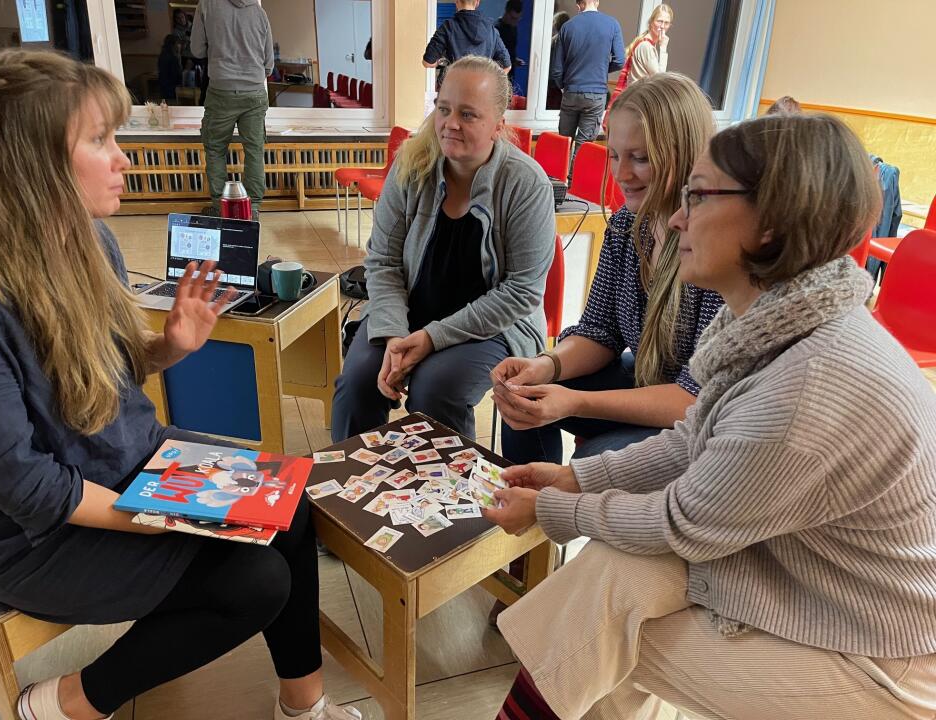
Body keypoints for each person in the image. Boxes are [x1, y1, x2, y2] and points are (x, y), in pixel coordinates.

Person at [487, 113, 936, 720]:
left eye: (697, 196)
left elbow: (682, 522)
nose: (676, 217)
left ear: (773, 221)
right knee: (610, 582)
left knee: (590, 631)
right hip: (821, 583)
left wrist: (550, 509)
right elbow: (691, 441)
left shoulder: (806, 387)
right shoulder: (781, 322)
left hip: (885, 656)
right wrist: (573, 478)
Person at [0, 49, 359, 720]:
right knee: (252, 580)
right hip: (35, 538)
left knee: (292, 503)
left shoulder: (94, 243)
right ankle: (69, 701)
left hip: (128, 462)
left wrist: (166, 348)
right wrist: (146, 519)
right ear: (32, 163)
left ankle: (305, 707)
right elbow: (23, 486)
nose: (122, 157)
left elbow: (103, 381)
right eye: (100, 139)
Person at [493, 73, 722, 466]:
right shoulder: (624, 225)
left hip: (706, 421)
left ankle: (550, 506)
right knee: (525, 397)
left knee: (597, 461)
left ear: (685, 154)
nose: (621, 173)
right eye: (614, 154)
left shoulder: (718, 246)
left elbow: (695, 397)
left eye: (641, 158)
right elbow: (600, 331)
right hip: (654, 382)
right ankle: (529, 508)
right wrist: (545, 366)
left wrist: (576, 401)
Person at [331, 55, 556, 443]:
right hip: (410, 314)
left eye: (468, 114)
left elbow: (521, 292)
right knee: (357, 382)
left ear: (498, 125)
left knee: (437, 388)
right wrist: (391, 337)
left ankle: (449, 499)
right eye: (443, 108)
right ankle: (347, 495)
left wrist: (433, 338)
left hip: (494, 327)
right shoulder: (411, 164)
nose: (450, 123)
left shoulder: (525, 184)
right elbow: (383, 263)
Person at [191, 0, 274, 220]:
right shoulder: (258, 11)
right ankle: (253, 209)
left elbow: (196, 49)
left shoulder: (206, 5)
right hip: (255, 93)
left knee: (216, 148)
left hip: (221, 90)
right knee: (254, 149)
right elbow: (269, 64)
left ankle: (220, 207)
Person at [551, 0, 625, 173]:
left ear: (578, 4)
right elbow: (620, 60)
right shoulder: (612, 24)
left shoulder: (567, 27)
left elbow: (556, 69)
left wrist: (564, 86)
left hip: (571, 91)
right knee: (583, 145)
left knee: (564, 141)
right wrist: (600, 71)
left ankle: (557, 182)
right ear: (597, 2)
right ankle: (572, 185)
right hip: (596, 94)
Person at [423, 0, 511, 91]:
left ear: (456, 1)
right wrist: (487, 82)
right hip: (479, 93)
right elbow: (506, 66)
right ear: (477, 2)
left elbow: (428, 62)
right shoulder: (491, 31)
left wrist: (440, 62)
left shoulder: (447, 27)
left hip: (453, 91)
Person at [495, 0, 525, 86]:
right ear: (506, 13)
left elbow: (508, 49)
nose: (515, 22)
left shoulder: (513, 28)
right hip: (500, 75)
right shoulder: (496, 29)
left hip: (510, 75)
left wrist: (514, 59)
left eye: (518, 19)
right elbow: (494, 55)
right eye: (513, 18)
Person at [546, 11, 570, 110]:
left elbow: (552, 66)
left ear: (555, 23)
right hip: (566, 84)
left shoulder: (554, 41)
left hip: (554, 85)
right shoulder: (570, 40)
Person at [156, 33, 182, 102]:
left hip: (163, 86)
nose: (180, 46)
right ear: (173, 45)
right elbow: (177, 75)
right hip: (171, 88)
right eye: (178, 43)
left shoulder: (162, 55)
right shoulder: (173, 58)